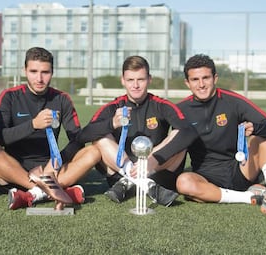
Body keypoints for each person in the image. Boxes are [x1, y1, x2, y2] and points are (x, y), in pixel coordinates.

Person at [0, 47, 101, 210]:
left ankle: (33, 194)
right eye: (33, 71)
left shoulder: (61, 99)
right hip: (15, 171)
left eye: (45, 72)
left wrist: (55, 163)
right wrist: (33, 125)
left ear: (52, 72)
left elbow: (77, 139)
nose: (39, 78)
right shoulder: (9, 96)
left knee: (94, 152)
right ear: (24, 70)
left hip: (52, 171)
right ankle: (53, 189)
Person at [76, 55, 198, 205]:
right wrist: (112, 123)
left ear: (149, 79)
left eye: (140, 79)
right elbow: (83, 135)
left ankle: (135, 180)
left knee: (180, 136)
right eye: (130, 80)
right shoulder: (113, 107)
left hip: (156, 173)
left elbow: (189, 131)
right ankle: (140, 181)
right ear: (123, 80)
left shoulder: (161, 105)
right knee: (99, 137)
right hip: (119, 176)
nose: (135, 85)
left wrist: (152, 160)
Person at [176, 54, 266, 215]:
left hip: (239, 170)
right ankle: (247, 197)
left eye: (206, 78)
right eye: (195, 79)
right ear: (187, 83)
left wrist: (255, 128)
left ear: (215, 78)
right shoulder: (180, 109)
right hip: (205, 177)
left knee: (261, 137)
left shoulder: (233, 101)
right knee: (184, 183)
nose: (201, 84)